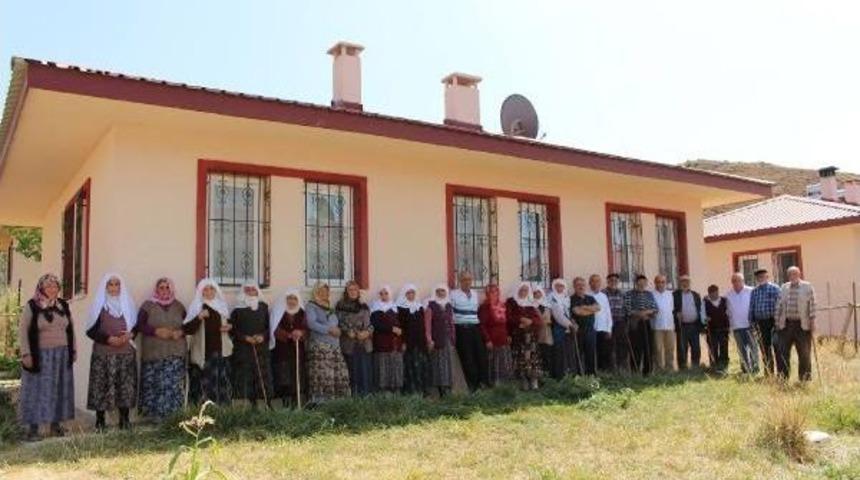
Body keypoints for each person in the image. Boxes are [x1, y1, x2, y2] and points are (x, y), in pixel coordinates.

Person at [18, 273, 76, 441]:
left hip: (62, 354)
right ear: (41, 288)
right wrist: (26, 353)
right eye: (48, 286)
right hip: (40, 356)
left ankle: (55, 425)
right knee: (37, 391)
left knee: (59, 389)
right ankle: (33, 429)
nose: (52, 289)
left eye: (55, 286)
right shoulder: (32, 305)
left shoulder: (63, 305)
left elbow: (70, 329)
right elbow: (23, 330)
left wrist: (74, 350)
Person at [86, 273, 138, 431]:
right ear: (105, 287)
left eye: (117, 284)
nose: (114, 288)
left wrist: (130, 334)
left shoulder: (128, 304)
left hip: (125, 352)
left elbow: (136, 326)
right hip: (103, 354)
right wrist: (109, 339)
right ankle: (100, 422)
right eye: (111, 284)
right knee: (100, 386)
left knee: (125, 386)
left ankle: (124, 420)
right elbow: (91, 330)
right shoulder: (98, 305)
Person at [136, 277, 187, 420]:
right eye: (161, 287)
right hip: (154, 354)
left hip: (175, 353)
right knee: (155, 386)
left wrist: (180, 332)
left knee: (173, 386)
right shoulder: (148, 305)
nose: (164, 290)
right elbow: (139, 325)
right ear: (156, 289)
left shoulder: (179, 306)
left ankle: (173, 419)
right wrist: (155, 331)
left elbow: (187, 326)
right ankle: (154, 419)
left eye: (167, 287)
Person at [183, 278, 233, 406]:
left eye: (212, 288)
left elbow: (231, 325)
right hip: (203, 353)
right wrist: (199, 317)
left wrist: (229, 327)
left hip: (221, 352)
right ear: (201, 291)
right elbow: (188, 329)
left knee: (221, 383)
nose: (209, 291)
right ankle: (205, 415)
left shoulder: (221, 306)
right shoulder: (197, 306)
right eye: (205, 289)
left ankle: (222, 415)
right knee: (205, 385)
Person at [305, 282, 351, 403]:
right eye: (321, 291)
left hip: (335, 347)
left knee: (338, 374)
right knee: (323, 375)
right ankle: (320, 403)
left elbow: (335, 323)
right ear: (316, 292)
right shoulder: (311, 306)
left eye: (326, 292)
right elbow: (311, 323)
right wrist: (329, 330)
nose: (324, 294)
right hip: (320, 346)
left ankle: (336, 402)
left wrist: (339, 331)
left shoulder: (330, 307)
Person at [229, 282, 273, 408]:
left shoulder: (263, 307)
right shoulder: (237, 310)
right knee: (246, 376)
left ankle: (266, 404)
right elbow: (233, 329)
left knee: (263, 377)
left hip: (261, 347)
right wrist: (245, 338)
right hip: (244, 349)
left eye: (253, 289)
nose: (250, 292)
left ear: (257, 291)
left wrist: (262, 336)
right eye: (247, 290)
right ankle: (248, 407)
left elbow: (269, 326)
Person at [774, 266, 817, 382]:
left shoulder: (807, 286)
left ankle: (805, 379)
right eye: (790, 274)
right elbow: (779, 306)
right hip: (786, 325)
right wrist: (777, 322)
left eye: (795, 274)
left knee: (804, 353)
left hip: (802, 325)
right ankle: (783, 378)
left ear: (799, 274)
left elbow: (812, 304)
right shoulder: (784, 287)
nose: (792, 276)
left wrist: (812, 321)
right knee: (782, 353)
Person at [450, 271, 488, 391]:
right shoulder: (453, 294)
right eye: (464, 280)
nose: (467, 282)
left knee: (480, 355)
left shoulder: (475, 294)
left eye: (469, 280)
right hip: (462, 329)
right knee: (467, 357)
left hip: (475, 328)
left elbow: (476, 311)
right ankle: (472, 385)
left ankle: (482, 382)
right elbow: (450, 314)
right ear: (460, 281)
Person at [270, 289, 307, 408]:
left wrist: (300, 333)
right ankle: (285, 404)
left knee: (297, 376)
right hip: (282, 350)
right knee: (283, 377)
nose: (292, 301)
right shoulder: (278, 311)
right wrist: (288, 335)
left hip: (297, 350)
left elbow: (307, 329)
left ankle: (296, 403)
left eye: (294, 298)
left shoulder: (302, 312)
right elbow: (274, 329)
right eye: (289, 298)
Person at [335, 280, 373, 396]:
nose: (353, 292)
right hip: (349, 344)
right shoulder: (340, 306)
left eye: (355, 290)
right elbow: (339, 323)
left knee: (364, 373)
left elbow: (370, 325)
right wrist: (347, 331)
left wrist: (367, 332)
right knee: (352, 373)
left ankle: (365, 398)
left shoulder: (364, 307)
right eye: (350, 290)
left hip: (363, 344)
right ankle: (353, 400)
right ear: (346, 292)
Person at [505, 282, 543, 390]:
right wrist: (520, 319)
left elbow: (539, 321)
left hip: (530, 338)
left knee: (531, 359)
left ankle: (533, 380)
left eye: (526, 290)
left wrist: (530, 321)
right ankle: (523, 381)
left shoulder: (531, 304)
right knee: (520, 359)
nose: (523, 292)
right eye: (521, 290)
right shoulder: (511, 302)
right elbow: (508, 318)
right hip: (518, 337)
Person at [397, 284, 431, 395]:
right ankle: (412, 392)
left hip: (420, 342)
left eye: (412, 293)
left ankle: (423, 391)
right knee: (410, 367)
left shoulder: (419, 307)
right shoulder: (400, 308)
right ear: (404, 294)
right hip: (409, 343)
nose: (411, 295)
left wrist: (427, 340)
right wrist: (402, 342)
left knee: (422, 366)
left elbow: (423, 325)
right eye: (408, 293)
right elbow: (401, 327)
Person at [371, 285, 404, 393]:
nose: (384, 296)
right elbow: (375, 325)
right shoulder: (375, 307)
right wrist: (391, 329)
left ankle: (396, 395)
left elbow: (402, 325)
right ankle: (384, 396)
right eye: (381, 293)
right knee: (383, 370)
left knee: (395, 370)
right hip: (381, 345)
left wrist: (402, 339)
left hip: (395, 345)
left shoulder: (395, 307)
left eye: (386, 293)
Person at [424, 283, 455, 397]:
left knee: (447, 364)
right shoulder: (431, 306)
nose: (441, 293)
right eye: (439, 291)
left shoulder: (448, 306)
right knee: (438, 365)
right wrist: (429, 339)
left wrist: (453, 339)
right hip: (436, 340)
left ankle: (447, 388)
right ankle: (440, 389)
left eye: (443, 291)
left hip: (447, 340)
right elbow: (427, 325)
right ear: (435, 292)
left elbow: (452, 323)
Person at [749, 269, 782, 376]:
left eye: (763, 276)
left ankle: (781, 374)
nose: (761, 278)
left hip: (774, 322)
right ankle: (769, 373)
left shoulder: (775, 288)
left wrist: (779, 322)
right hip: (760, 324)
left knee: (777, 347)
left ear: (767, 277)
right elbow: (751, 307)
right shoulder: (754, 291)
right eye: (758, 277)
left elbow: (780, 305)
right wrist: (751, 321)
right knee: (764, 349)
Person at [623, 275, 657, 376]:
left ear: (646, 284)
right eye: (639, 283)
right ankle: (635, 371)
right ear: (636, 283)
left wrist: (645, 313)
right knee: (636, 348)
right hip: (635, 324)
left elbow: (655, 308)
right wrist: (639, 313)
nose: (641, 285)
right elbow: (628, 310)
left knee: (648, 348)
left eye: (643, 283)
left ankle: (648, 372)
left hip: (647, 323)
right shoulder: (629, 294)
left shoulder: (649, 294)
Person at [726, 273, 760, 375]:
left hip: (750, 326)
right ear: (732, 283)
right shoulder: (728, 295)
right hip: (737, 327)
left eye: (739, 280)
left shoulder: (751, 291)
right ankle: (745, 369)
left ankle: (755, 368)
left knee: (754, 348)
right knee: (742, 350)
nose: (736, 283)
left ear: (743, 281)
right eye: (734, 281)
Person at [479, 283, 512, 386]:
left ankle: (504, 385)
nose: (494, 294)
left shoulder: (502, 305)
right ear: (487, 294)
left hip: (503, 338)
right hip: (492, 340)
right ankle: (494, 384)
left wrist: (509, 335)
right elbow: (482, 325)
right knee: (493, 362)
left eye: (496, 291)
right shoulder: (484, 307)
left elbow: (507, 323)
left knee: (504, 362)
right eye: (491, 292)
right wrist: (487, 339)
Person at [673, 275, 704, 369]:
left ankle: (695, 366)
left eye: (687, 282)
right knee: (682, 348)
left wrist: (702, 324)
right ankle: (683, 367)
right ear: (680, 283)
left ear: (690, 283)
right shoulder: (675, 295)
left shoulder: (696, 295)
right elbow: (671, 309)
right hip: (682, 325)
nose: (685, 283)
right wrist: (676, 314)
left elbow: (700, 309)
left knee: (696, 347)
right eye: (683, 281)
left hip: (694, 325)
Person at [570, 277, 599, 375]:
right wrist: (590, 310)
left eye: (582, 284)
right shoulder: (572, 299)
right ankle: (579, 376)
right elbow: (578, 312)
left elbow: (598, 307)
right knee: (579, 354)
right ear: (574, 286)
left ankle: (591, 376)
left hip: (590, 330)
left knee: (591, 353)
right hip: (579, 331)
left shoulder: (590, 298)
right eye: (578, 285)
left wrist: (585, 307)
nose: (581, 286)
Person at [548, 278, 576, 379]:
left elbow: (568, 312)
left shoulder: (566, 297)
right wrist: (569, 325)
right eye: (557, 286)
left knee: (568, 351)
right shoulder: (552, 297)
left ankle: (568, 374)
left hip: (568, 327)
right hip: (559, 327)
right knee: (559, 351)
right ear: (554, 287)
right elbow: (558, 315)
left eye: (561, 286)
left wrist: (572, 322)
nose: (559, 288)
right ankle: (559, 376)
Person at [602, 274, 629, 373]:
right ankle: (609, 369)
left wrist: (626, 323)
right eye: (611, 280)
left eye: (615, 280)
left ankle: (621, 367)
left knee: (622, 345)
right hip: (608, 323)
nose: (613, 282)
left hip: (620, 322)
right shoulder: (603, 293)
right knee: (608, 346)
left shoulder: (622, 294)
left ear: (618, 282)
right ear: (607, 281)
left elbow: (625, 308)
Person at [650, 275, 676, 372]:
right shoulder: (651, 294)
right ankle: (659, 370)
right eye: (658, 282)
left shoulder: (670, 294)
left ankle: (669, 369)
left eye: (663, 282)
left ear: (666, 283)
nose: (661, 284)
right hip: (657, 325)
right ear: (655, 283)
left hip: (669, 325)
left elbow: (671, 309)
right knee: (658, 349)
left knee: (670, 348)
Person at [589, 274, 614, 372]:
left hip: (603, 328)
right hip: (592, 328)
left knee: (603, 352)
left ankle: (603, 371)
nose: (595, 283)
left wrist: (609, 329)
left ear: (600, 283)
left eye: (598, 281)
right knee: (592, 352)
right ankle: (593, 372)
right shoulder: (587, 296)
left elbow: (608, 312)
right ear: (590, 283)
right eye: (593, 281)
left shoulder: (604, 296)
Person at [703, 284, 730, 373]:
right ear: (709, 294)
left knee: (724, 347)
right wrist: (705, 319)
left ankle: (724, 365)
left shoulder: (724, 300)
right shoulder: (705, 302)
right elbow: (702, 314)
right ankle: (714, 366)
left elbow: (729, 312)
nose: (714, 295)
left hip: (723, 329)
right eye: (712, 293)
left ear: (718, 292)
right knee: (712, 348)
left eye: (715, 292)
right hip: (711, 330)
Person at [532, 285, 555, 378]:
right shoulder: (531, 305)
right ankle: (538, 377)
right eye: (535, 293)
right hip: (535, 333)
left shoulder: (547, 305)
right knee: (536, 356)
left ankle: (547, 377)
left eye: (539, 292)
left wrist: (549, 322)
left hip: (547, 333)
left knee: (547, 355)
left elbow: (553, 319)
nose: (537, 294)